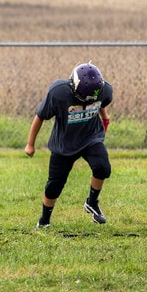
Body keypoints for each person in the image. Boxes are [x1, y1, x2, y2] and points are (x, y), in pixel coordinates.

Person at [25, 62, 113, 228]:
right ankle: (44, 221)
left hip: (90, 138)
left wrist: (105, 120)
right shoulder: (58, 93)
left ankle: (92, 203)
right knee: (54, 185)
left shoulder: (105, 89)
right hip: (64, 144)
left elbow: (101, 103)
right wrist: (30, 144)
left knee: (103, 168)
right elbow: (40, 116)